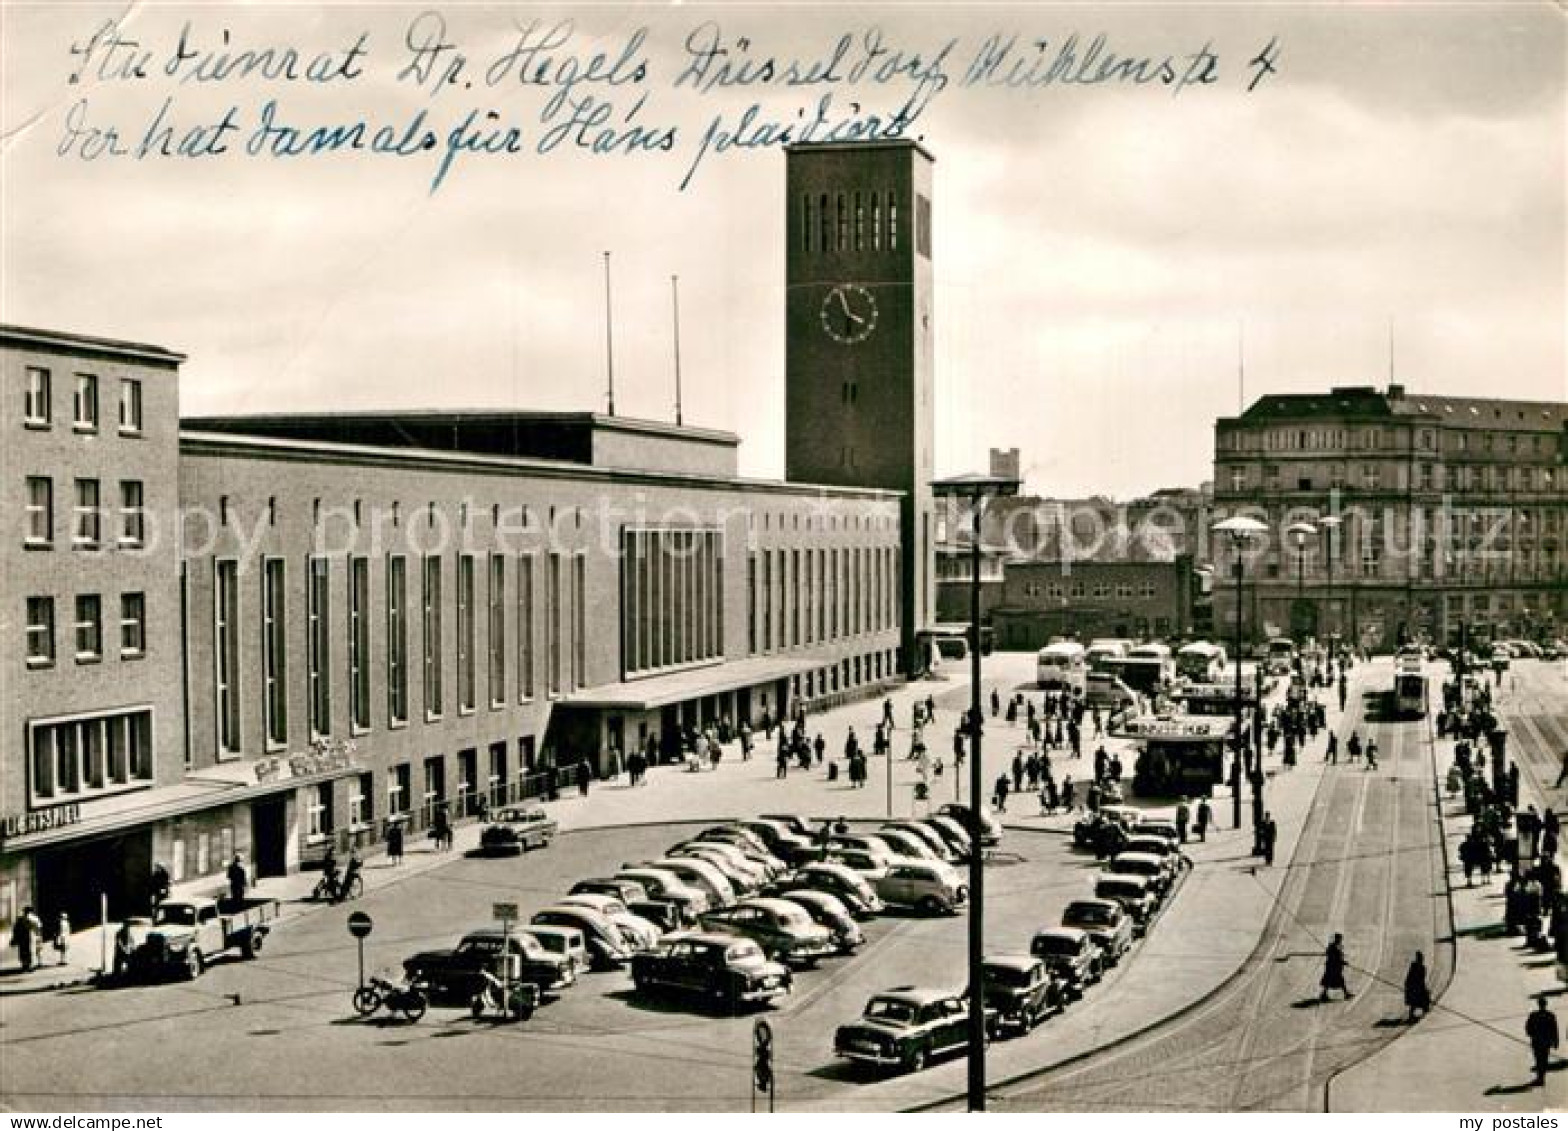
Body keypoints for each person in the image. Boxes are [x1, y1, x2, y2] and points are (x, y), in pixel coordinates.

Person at [1526, 995, 1559, 1087]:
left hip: (1536, 1042)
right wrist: (1555, 1042)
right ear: (1546, 1005)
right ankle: (1541, 1077)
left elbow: (1528, 1028)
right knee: (1544, 1060)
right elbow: (1554, 1029)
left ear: (1538, 1005)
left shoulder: (1533, 1015)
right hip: (1546, 1042)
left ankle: (1540, 1078)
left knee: (1538, 1059)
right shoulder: (1550, 1015)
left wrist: (1532, 1035)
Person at [1319, 933, 1353, 1001]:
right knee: (1335, 980)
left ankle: (1324, 994)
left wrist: (1342, 962)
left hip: (1333, 967)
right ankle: (1346, 994)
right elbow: (1335, 958)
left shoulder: (1334, 946)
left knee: (1331, 980)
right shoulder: (1333, 947)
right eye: (1339, 939)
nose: (1340, 940)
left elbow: (1336, 957)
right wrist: (1342, 962)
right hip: (1333, 967)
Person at [10, 906, 41, 972]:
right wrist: (38, 936)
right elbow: (39, 928)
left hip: (23, 937)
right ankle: (30, 965)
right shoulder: (35, 918)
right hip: (31, 936)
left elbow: (16, 929)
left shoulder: (20, 919)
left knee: (23, 951)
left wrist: (15, 937)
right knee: (30, 950)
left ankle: (25, 965)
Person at [1403, 952, 1430, 1022]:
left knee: (1417, 1001)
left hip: (1417, 987)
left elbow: (1421, 979)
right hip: (1415, 987)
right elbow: (1410, 976)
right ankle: (1412, 1015)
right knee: (1415, 1002)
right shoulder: (1418, 967)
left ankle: (1417, 1013)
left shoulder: (1421, 968)